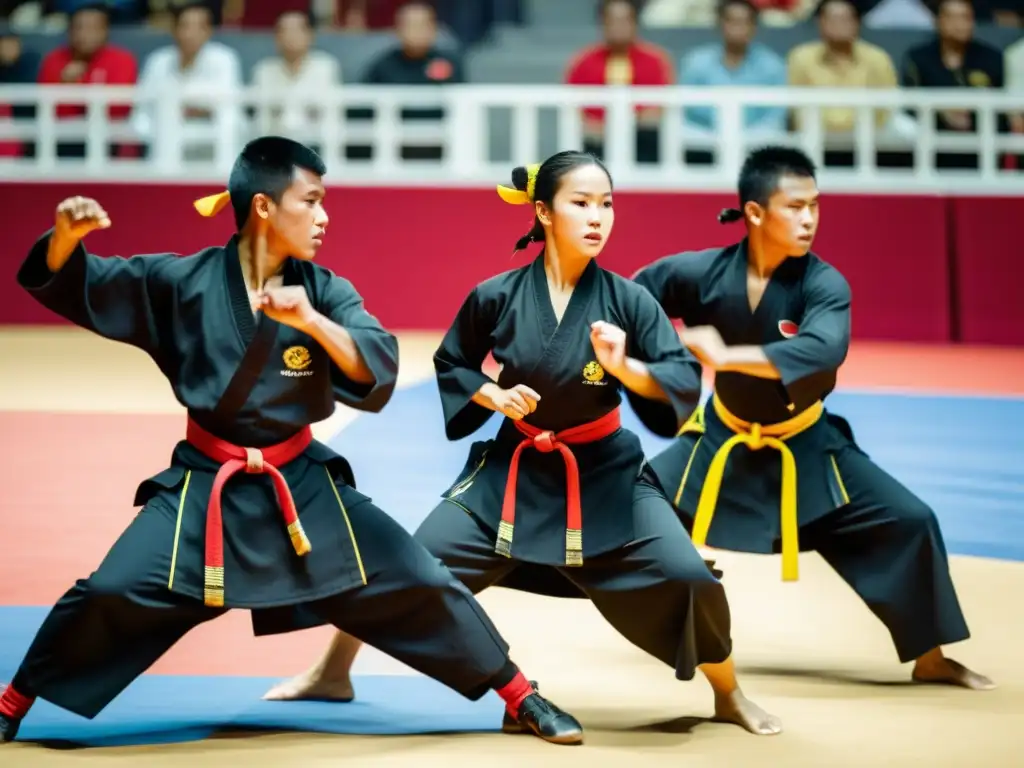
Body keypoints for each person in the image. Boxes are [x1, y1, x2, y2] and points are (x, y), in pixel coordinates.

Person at [0, 136, 583, 746]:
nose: (324, 216)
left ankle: (520, 695)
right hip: (207, 487)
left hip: (302, 486)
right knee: (112, 591)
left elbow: (376, 366)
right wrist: (66, 238)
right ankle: (14, 700)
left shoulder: (325, 291)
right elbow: (84, 283)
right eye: (311, 201)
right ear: (263, 208)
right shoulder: (182, 282)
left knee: (421, 578)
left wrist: (310, 322)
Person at [263, 150, 784, 737]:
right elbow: (452, 361)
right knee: (408, 561)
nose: (597, 218)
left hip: (605, 476)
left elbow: (681, 383)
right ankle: (334, 671)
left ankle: (729, 692)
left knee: (687, 577)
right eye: (580, 203)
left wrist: (627, 367)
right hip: (512, 476)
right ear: (542, 212)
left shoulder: (629, 301)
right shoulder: (497, 294)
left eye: (607, 204)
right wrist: (490, 394)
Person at [632, 145, 994, 691]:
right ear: (755, 213)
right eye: (795, 207)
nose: (809, 219)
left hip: (808, 446)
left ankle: (931, 656)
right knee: (633, 502)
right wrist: (661, 357)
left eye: (815, 207)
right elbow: (631, 296)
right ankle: (658, 617)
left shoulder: (823, 284)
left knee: (909, 520)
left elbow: (823, 350)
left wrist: (725, 357)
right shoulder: (700, 272)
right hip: (720, 440)